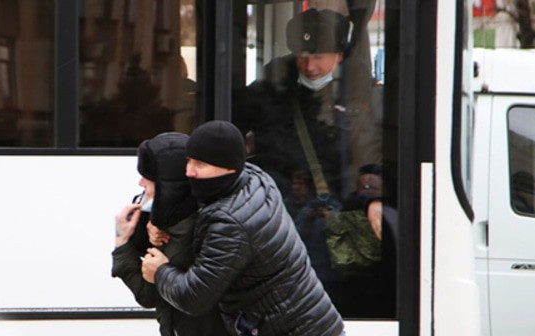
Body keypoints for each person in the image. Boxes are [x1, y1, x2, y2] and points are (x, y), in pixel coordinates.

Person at [232, 8, 382, 313]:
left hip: (335, 220)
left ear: (340, 55)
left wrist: (373, 198)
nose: (310, 66)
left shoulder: (361, 95)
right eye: (303, 55)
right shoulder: (267, 92)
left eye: (319, 56)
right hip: (277, 214)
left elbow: (373, 155)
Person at [141, 120, 345, 336]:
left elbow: (195, 298)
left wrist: (160, 272)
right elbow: (202, 201)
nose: (189, 172)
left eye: (200, 165)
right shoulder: (254, 177)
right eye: (189, 161)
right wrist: (158, 220)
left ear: (228, 168)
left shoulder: (232, 223)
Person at [111, 132, 228, 336]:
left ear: (170, 184)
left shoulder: (201, 229)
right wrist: (127, 235)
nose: (141, 183)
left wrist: (159, 270)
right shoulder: (169, 220)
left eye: (148, 177)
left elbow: (148, 295)